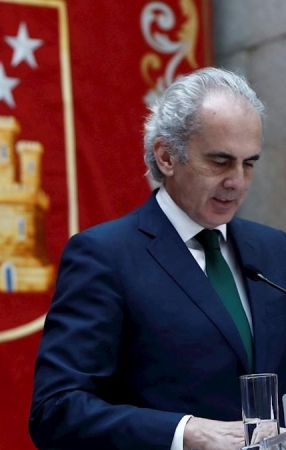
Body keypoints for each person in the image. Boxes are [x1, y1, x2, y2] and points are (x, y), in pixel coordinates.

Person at [29, 67, 286, 450]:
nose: (237, 181)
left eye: (248, 163)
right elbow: (57, 410)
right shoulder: (106, 256)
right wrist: (186, 433)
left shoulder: (275, 250)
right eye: (220, 162)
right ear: (167, 156)